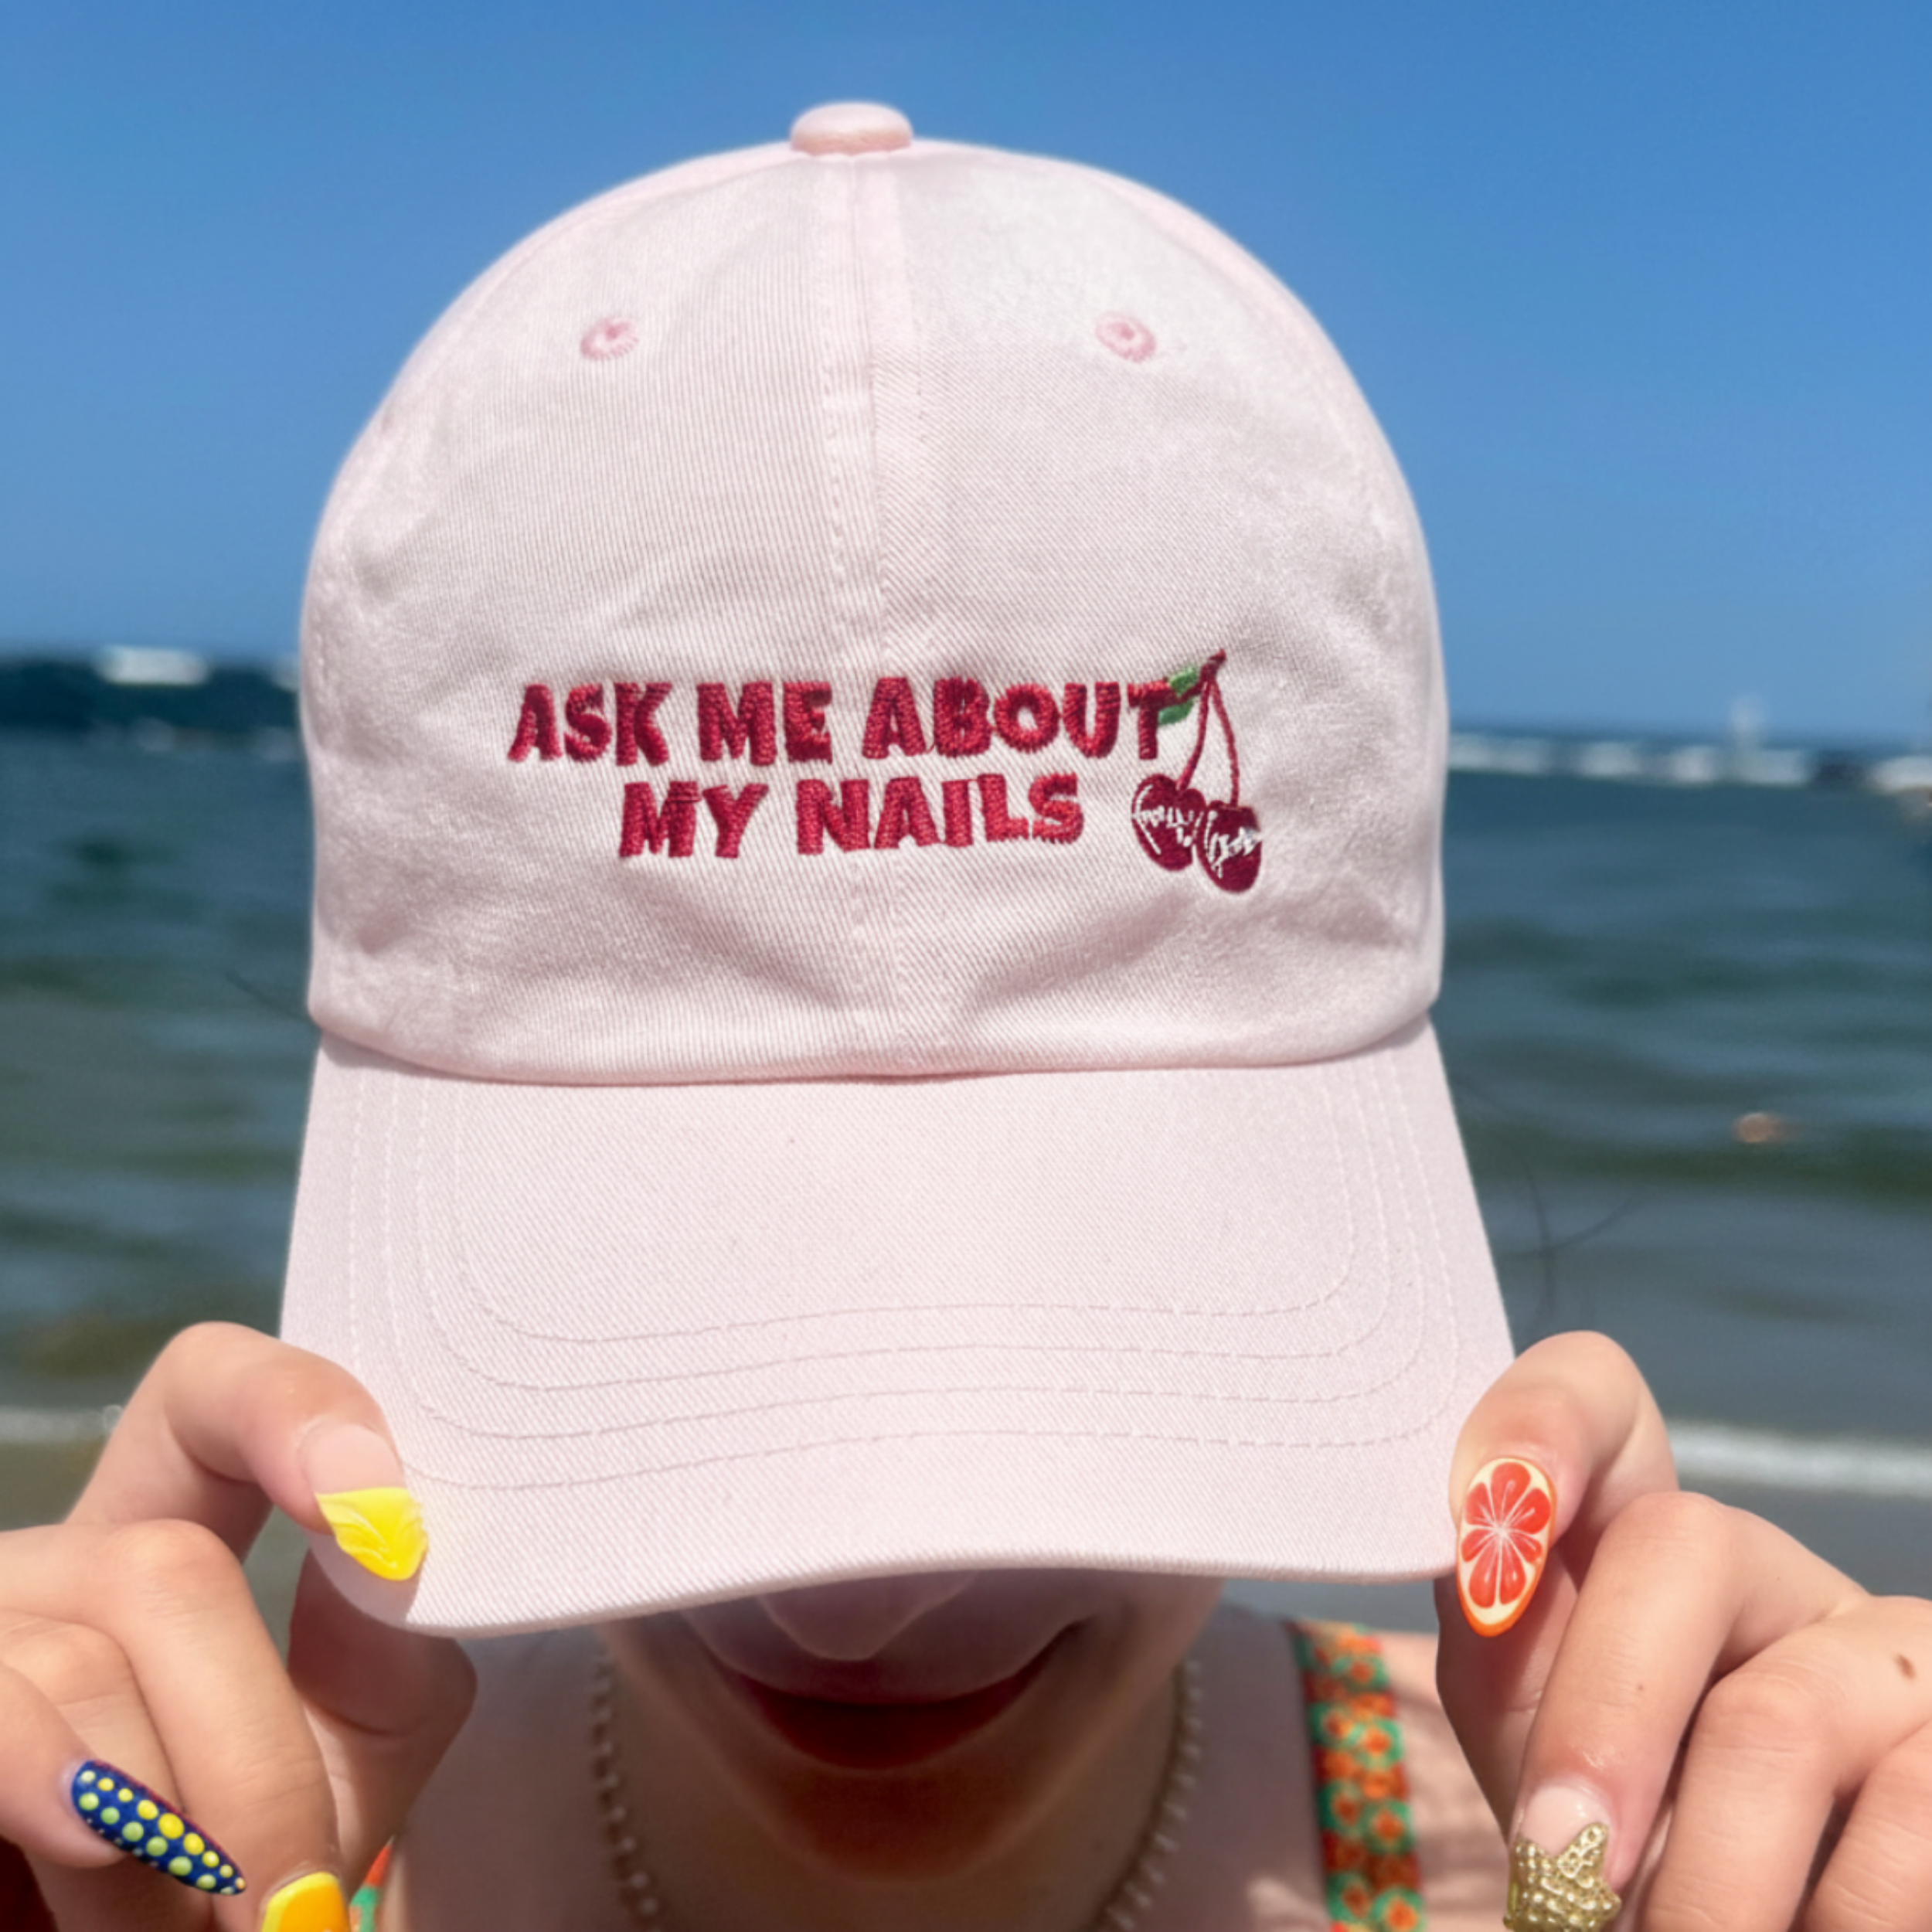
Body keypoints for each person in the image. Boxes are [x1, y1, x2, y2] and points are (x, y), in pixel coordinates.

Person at [2, 104, 1928, 1932]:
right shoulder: (206, 1873)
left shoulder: (1570, 1870)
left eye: (1077, 1302)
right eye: (679, 1289)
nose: (861, 1608)